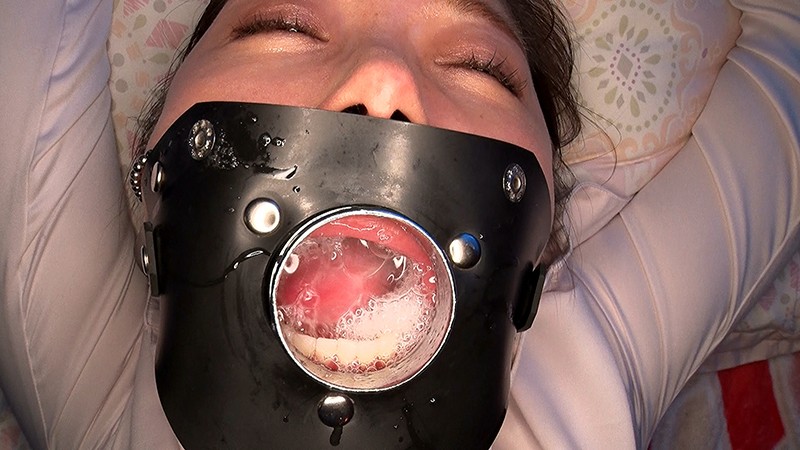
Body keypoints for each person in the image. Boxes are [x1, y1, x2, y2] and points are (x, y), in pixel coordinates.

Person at [1, 0, 798, 449]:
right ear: (151, 170)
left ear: (546, 238)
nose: (383, 83)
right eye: (285, 26)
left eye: (478, 67)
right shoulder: (583, 401)